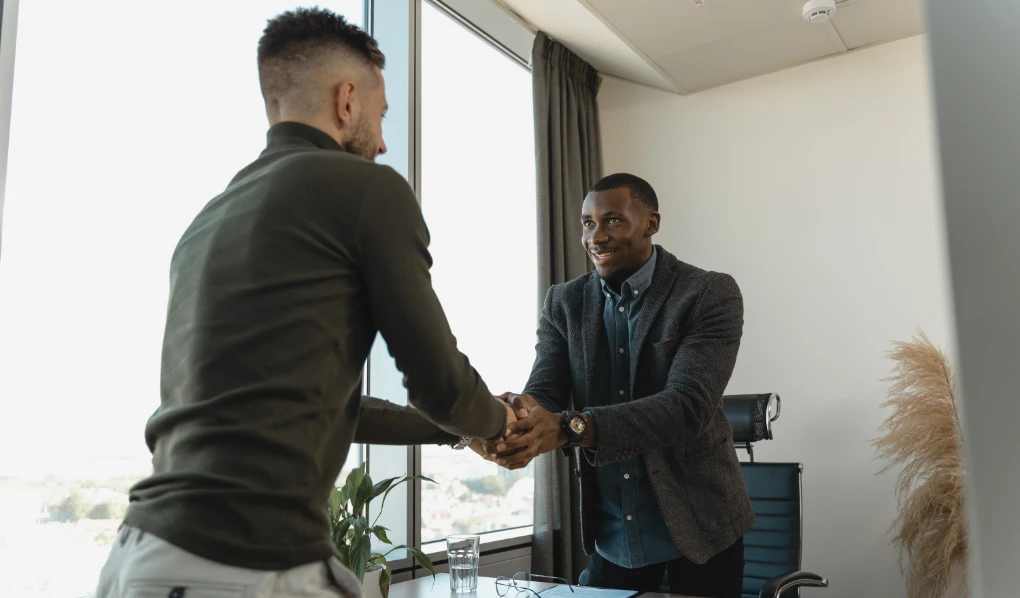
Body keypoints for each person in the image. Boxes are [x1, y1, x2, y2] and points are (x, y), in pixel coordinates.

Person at [96, 8, 513, 598]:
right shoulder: (370, 190)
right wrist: (501, 422)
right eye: (381, 113)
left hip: (139, 557)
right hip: (241, 561)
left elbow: (321, 405)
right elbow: (439, 382)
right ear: (347, 101)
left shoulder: (207, 220)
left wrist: (454, 433)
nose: (385, 138)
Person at [485, 173, 754, 598]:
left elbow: (687, 407)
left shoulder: (707, 293)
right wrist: (511, 417)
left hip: (701, 528)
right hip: (614, 534)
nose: (596, 236)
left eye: (612, 220)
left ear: (651, 222)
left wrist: (572, 427)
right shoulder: (564, 302)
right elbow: (546, 392)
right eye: (587, 223)